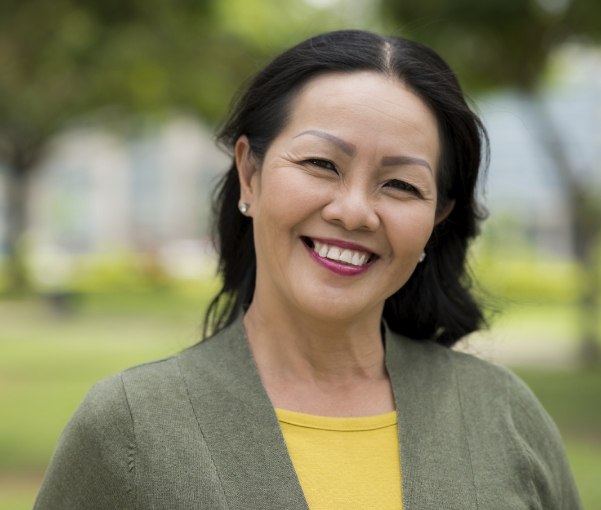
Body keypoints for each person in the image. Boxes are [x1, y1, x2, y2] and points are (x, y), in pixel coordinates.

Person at [34, 30, 582, 509]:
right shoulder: (129, 428)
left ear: (437, 220)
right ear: (250, 175)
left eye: (400, 185)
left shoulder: (503, 415)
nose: (353, 210)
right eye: (322, 164)